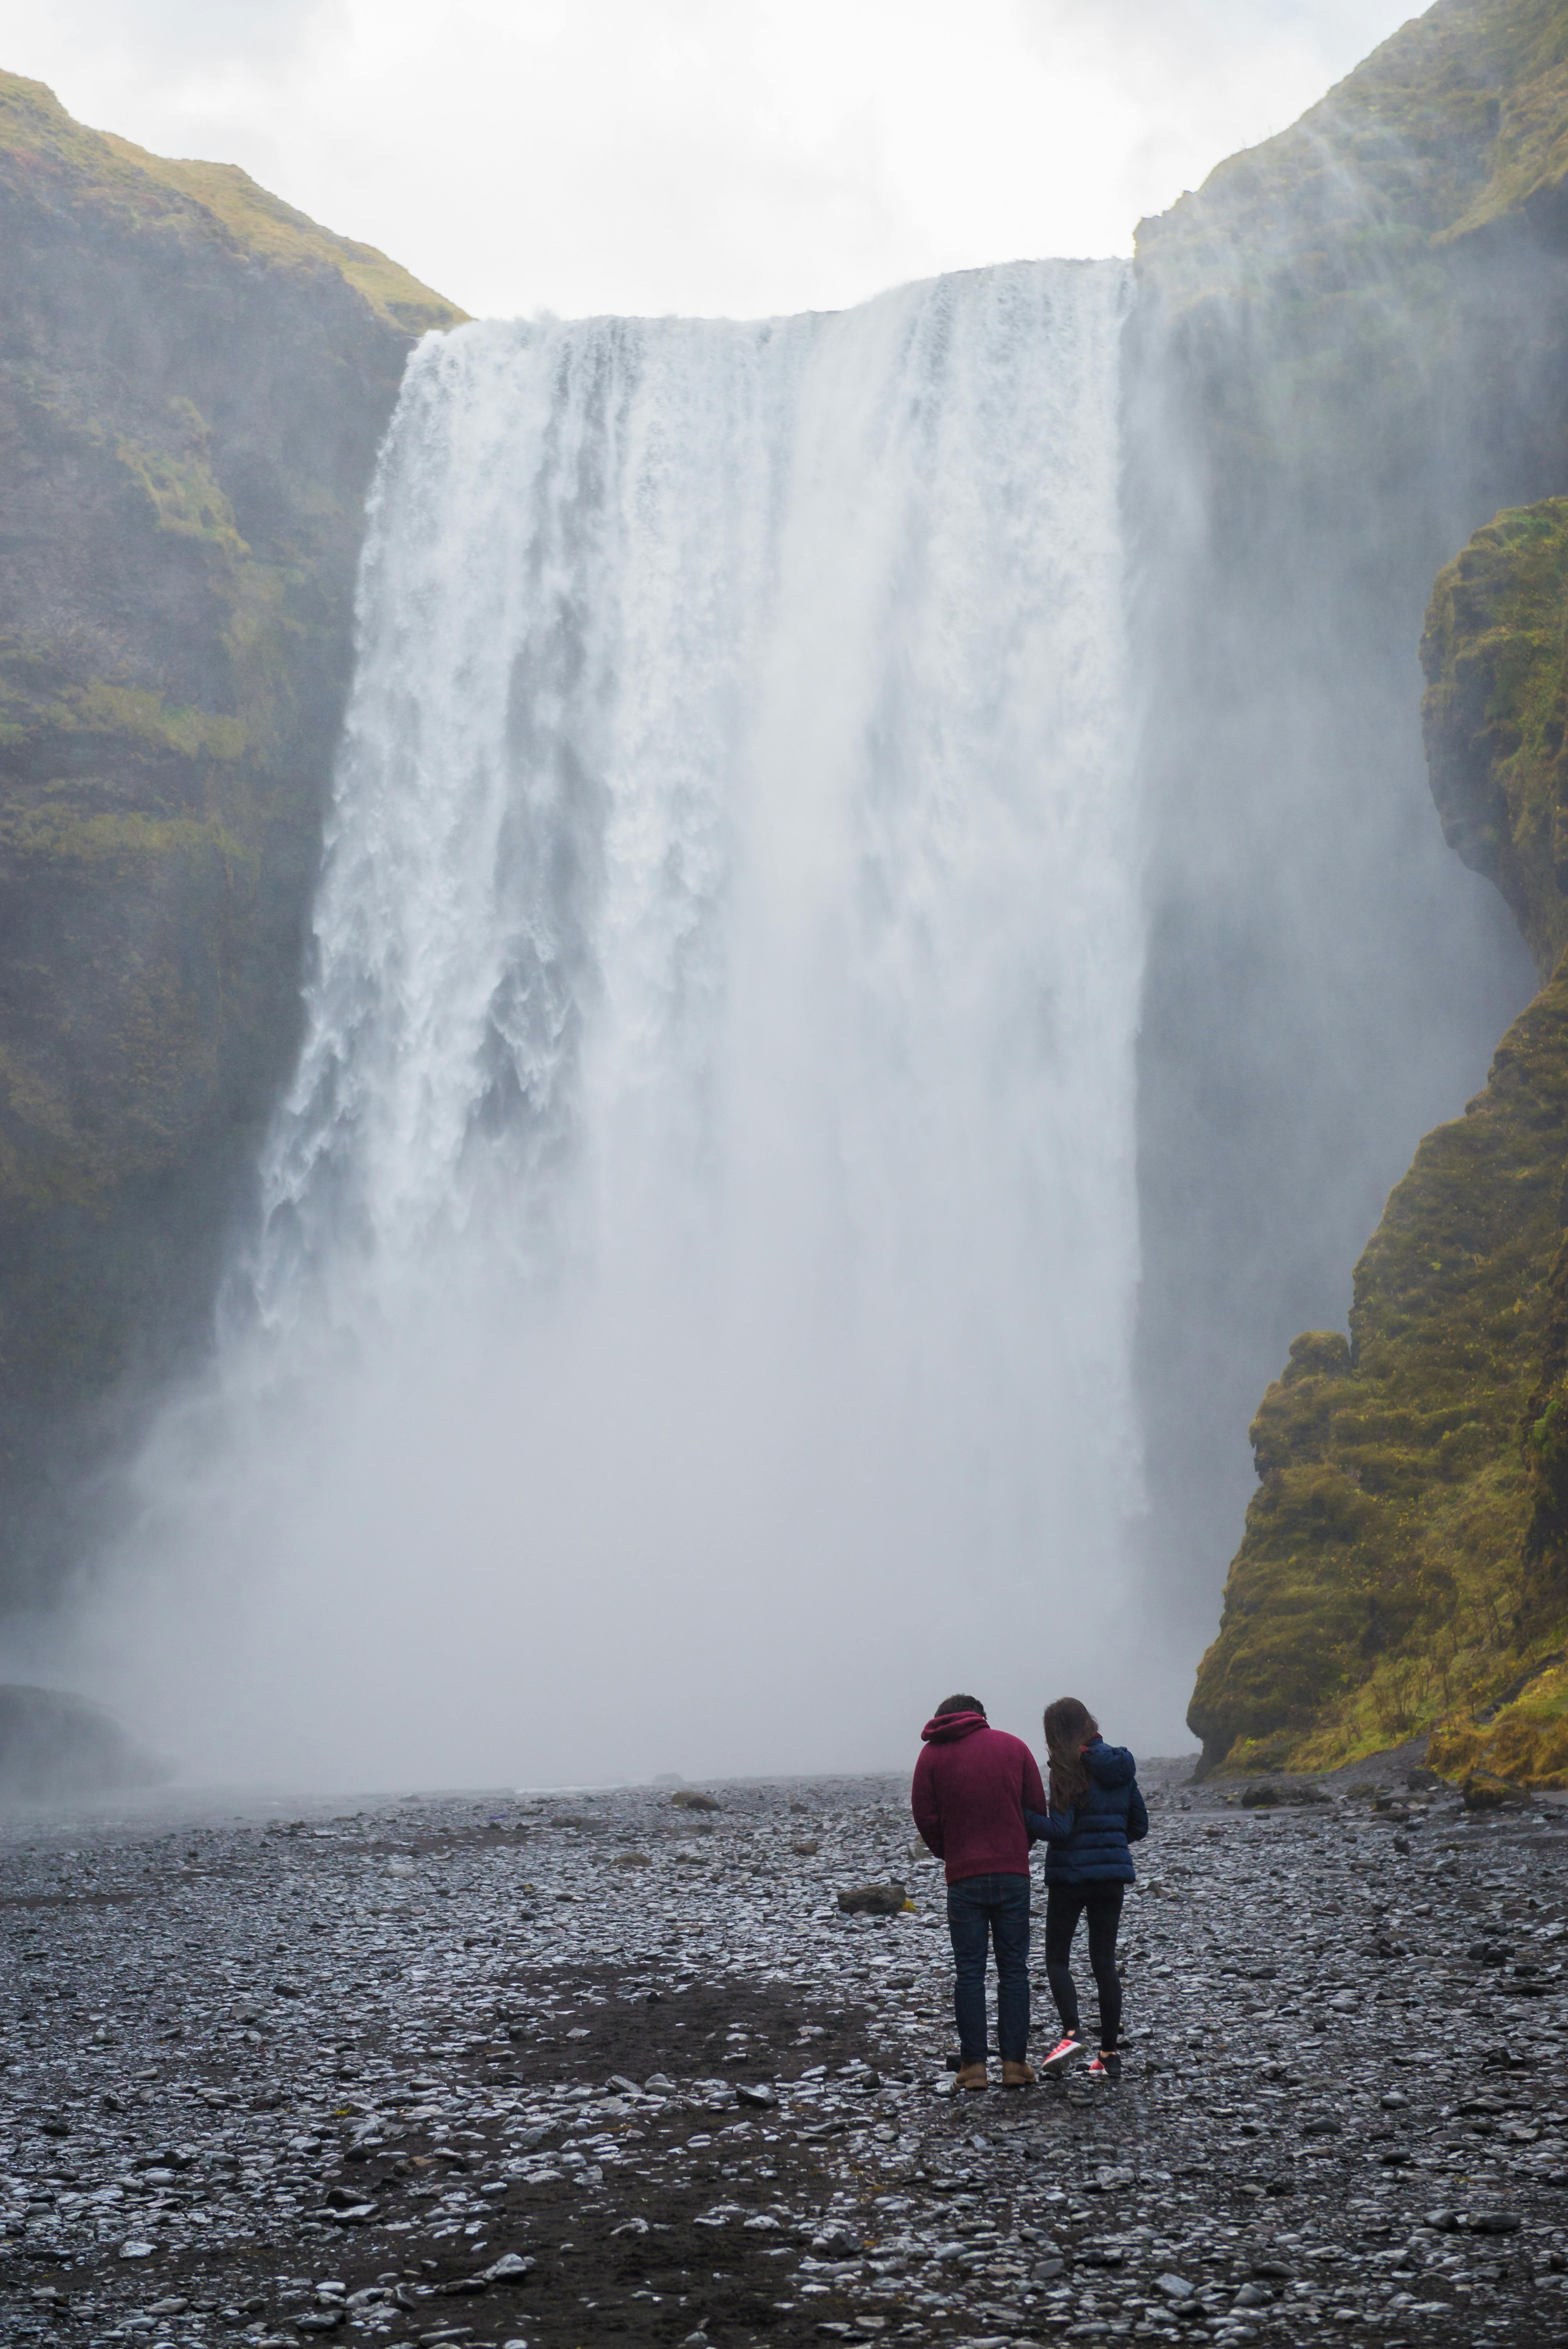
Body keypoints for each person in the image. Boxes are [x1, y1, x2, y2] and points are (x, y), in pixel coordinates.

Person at [911, 1692, 1058, 2091]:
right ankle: (1013, 2064)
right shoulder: (1013, 1747)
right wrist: (1015, 1849)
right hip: (1012, 1872)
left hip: (963, 1876)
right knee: (1014, 1969)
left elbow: (925, 1818)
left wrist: (951, 1852)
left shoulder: (930, 1757)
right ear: (980, 1718)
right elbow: (1034, 1810)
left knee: (969, 1972)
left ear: (943, 1719)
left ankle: (973, 2068)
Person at [1026, 1695, 1147, 2082]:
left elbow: (1059, 1830)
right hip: (1111, 1878)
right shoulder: (1120, 1765)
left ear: (1055, 1733)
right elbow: (1138, 1826)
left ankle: (1073, 2033)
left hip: (1070, 1878)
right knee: (1103, 1962)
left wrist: (1021, 1815)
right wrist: (1109, 1841)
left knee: (1058, 1960)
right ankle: (1108, 2054)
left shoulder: (1065, 1767)